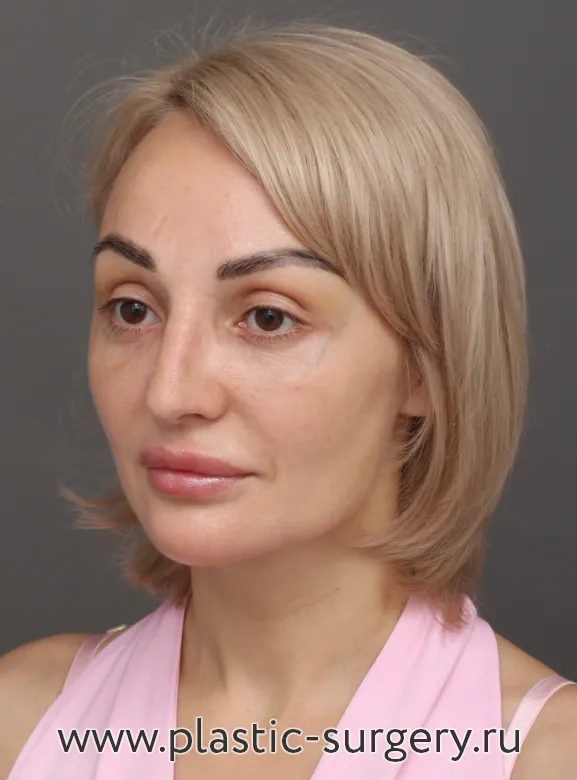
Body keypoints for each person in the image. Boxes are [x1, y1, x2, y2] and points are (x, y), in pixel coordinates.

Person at [0, 19, 575, 780]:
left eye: (268, 318)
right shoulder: (20, 724)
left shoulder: (547, 757)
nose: (171, 392)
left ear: (427, 368)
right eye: (133, 308)